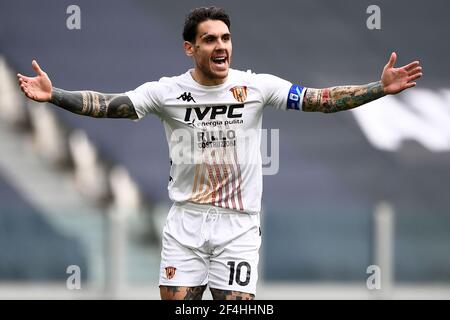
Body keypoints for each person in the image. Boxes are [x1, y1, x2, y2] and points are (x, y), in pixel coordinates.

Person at [17, 6, 422, 300]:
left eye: (226, 38)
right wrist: (55, 96)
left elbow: (319, 99)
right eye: (210, 39)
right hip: (185, 224)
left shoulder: (256, 86)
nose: (221, 46)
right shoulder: (166, 91)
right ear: (189, 49)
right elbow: (110, 104)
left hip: (239, 226)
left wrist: (377, 88)